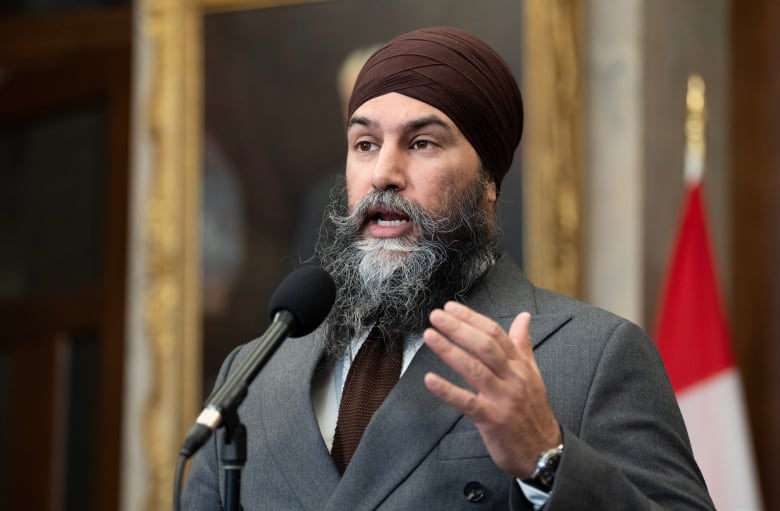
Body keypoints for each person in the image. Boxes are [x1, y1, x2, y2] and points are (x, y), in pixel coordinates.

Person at [182, 26, 715, 510]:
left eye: (421, 143)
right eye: (364, 145)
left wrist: (546, 459)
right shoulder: (252, 375)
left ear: (488, 183)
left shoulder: (595, 358)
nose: (384, 173)